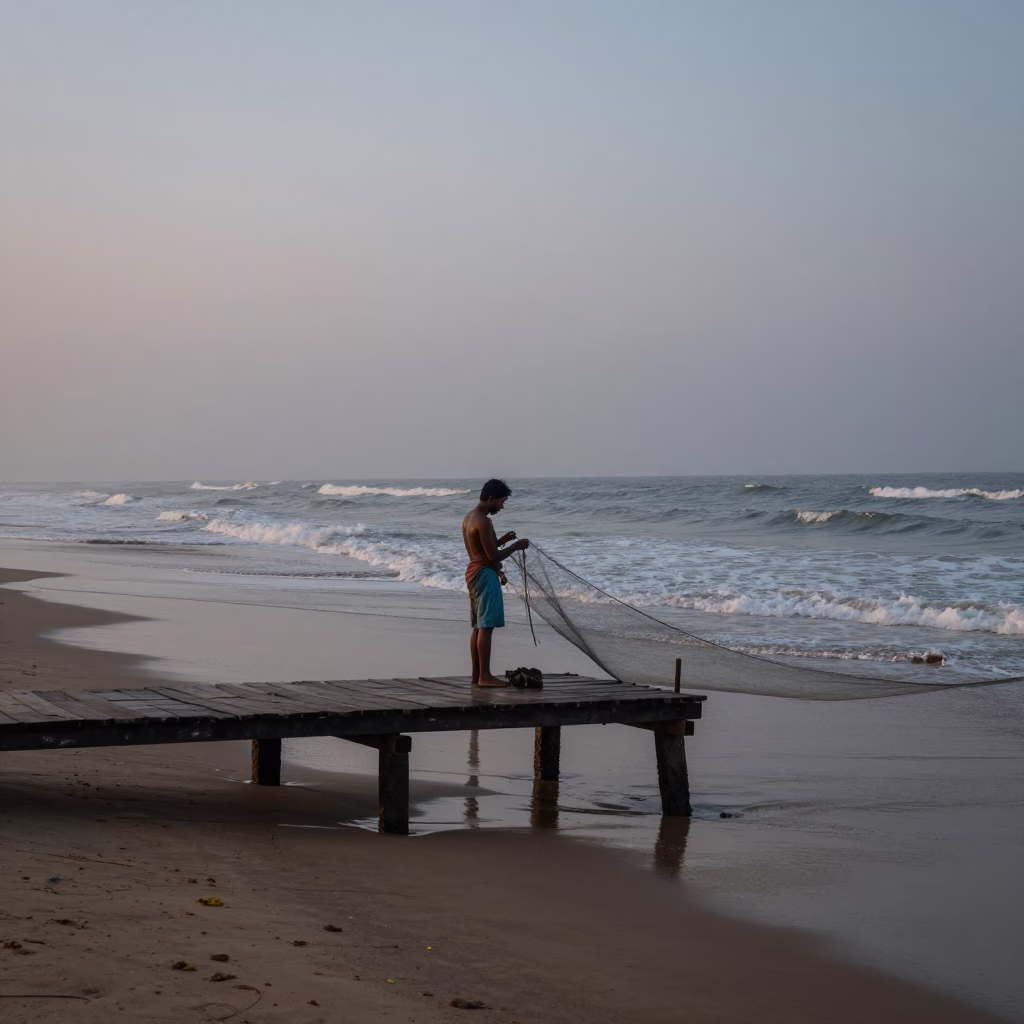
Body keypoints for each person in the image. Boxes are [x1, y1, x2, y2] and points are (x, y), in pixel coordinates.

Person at [462, 479, 529, 687]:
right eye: (502, 501)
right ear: (491, 499)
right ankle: (485, 676)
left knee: (478, 626)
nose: (502, 506)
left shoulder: (470, 518)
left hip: (474, 571)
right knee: (486, 626)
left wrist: (503, 540)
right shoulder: (484, 521)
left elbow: (483, 548)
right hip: (484, 574)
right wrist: (516, 546)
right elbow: (493, 556)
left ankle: (477, 676)